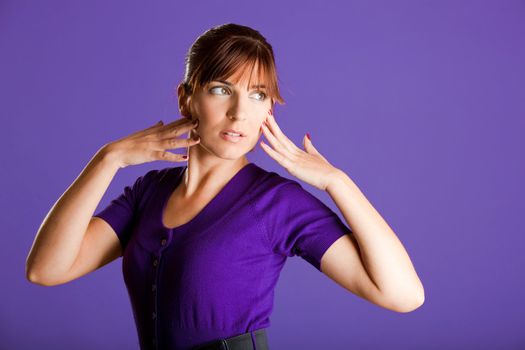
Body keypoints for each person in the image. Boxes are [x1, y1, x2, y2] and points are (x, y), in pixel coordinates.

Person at [25, 23, 425, 350]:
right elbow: (46, 269)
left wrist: (338, 182)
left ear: (269, 109)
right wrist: (108, 159)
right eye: (221, 90)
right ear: (186, 99)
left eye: (257, 95)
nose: (239, 113)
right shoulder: (149, 191)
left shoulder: (276, 203)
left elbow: (403, 295)